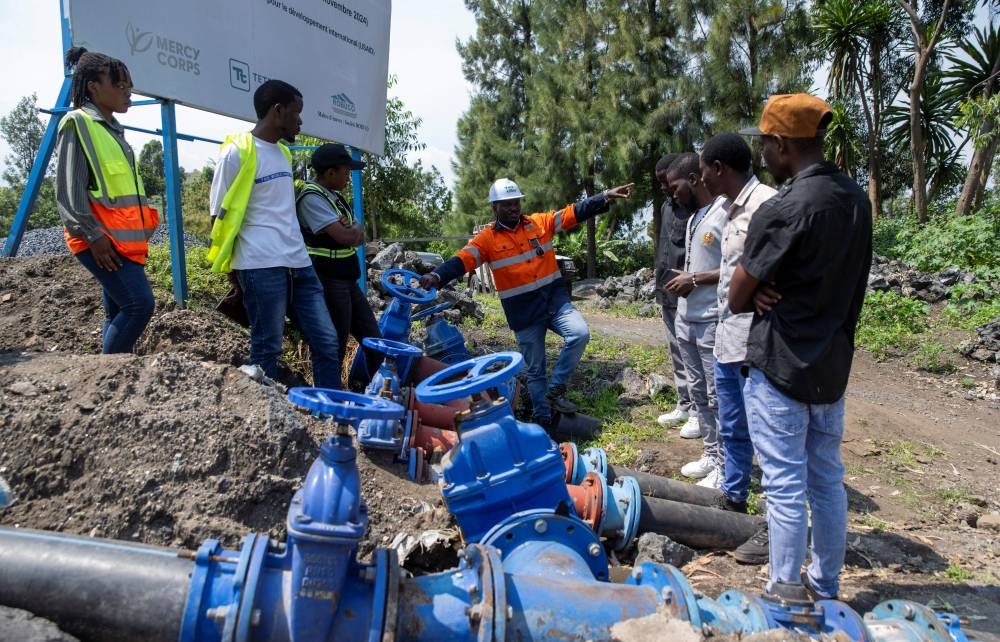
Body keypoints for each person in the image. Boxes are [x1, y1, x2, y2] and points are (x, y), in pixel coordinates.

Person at [730, 94, 872, 602]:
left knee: (785, 484)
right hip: (831, 365)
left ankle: (784, 588)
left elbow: (736, 295)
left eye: (764, 143)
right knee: (827, 480)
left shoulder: (784, 207)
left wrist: (759, 289)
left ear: (781, 144)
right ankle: (825, 585)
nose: (761, 155)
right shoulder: (855, 199)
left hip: (783, 364)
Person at [419, 178, 633, 433]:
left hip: (554, 302)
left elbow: (573, 212)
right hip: (524, 313)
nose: (513, 208)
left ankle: (556, 390)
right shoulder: (486, 240)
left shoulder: (539, 223)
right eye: (506, 204)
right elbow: (462, 260)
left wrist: (605, 196)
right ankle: (544, 421)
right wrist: (438, 276)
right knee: (535, 370)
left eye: (516, 203)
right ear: (494, 207)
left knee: (579, 334)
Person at [207, 80, 341, 389]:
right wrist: (233, 271)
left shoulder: (283, 153)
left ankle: (330, 415)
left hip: (298, 263)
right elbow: (218, 215)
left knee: (326, 340)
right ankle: (262, 420)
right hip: (259, 265)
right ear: (278, 111)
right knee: (267, 347)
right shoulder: (236, 153)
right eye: (297, 113)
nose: (300, 121)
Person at [698, 133, 777, 563]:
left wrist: (771, 289)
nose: (701, 177)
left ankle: (771, 522)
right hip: (728, 336)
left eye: (704, 169)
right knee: (731, 423)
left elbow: (787, 257)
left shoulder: (766, 202)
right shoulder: (728, 210)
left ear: (719, 168)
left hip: (756, 339)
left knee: (764, 433)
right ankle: (733, 499)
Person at [55, 47, 159, 354]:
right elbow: (68, 191)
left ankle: (109, 382)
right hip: (100, 241)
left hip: (119, 241)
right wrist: (94, 236)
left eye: (129, 86)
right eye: (119, 85)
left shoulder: (112, 129)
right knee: (139, 305)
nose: (128, 93)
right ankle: (109, 373)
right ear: (93, 87)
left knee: (118, 311)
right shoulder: (78, 123)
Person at [663, 153, 728, 488]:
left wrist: (696, 279)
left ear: (693, 178)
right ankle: (711, 454)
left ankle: (725, 466)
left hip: (711, 320)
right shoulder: (692, 219)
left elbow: (738, 265)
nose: (672, 194)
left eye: (675, 187)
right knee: (699, 393)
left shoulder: (724, 213)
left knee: (718, 397)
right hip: (686, 318)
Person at [295, 143, 382, 390]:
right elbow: (347, 238)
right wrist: (350, 231)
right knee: (335, 344)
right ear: (330, 173)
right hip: (329, 280)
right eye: (345, 172)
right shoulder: (312, 198)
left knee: (373, 337)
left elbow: (358, 232)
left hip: (347, 280)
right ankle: (329, 400)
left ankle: (383, 393)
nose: (348, 177)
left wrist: (350, 230)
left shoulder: (336, 198)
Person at [653, 153, 698, 438]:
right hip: (666, 291)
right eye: (661, 184)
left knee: (692, 354)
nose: (665, 188)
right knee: (676, 354)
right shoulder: (667, 207)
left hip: (687, 293)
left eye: (667, 183)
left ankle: (697, 411)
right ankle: (684, 404)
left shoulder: (693, 207)